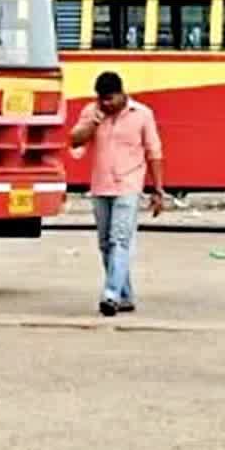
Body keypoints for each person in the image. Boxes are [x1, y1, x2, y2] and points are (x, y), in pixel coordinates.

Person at [70, 71, 166, 316]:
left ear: (122, 94)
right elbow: (75, 141)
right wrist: (94, 121)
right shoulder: (92, 112)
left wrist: (157, 189)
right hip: (100, 185)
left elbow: (153, 152)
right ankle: (125, 295)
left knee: (120, 240)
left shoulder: (143, 115)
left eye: (110, 99)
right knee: (105, 244)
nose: (106, 104)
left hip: (129, 185)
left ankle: (111, 294)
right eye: (102, 99)